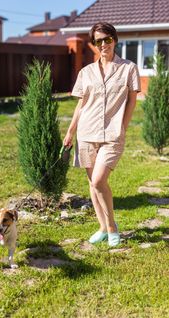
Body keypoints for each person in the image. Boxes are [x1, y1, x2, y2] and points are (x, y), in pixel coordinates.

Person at [63, 22, 141, 246]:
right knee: (92, 183)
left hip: (112, 135)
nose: (104, 44)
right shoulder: (86, 72)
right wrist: (70, 132)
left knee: (99, 180)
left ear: (114, 39)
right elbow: (81, 105)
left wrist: (122, 127)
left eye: (107, 39)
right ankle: (102, 227)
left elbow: (132, 102)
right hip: (86, 133)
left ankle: (112, 226)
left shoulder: (128, 68)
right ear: (94, 44)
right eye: (99, 41)